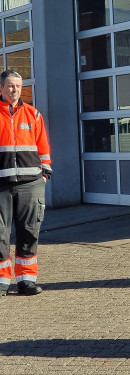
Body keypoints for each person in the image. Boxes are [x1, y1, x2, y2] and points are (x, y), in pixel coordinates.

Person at [0, 70, 52, 296]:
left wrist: (44, 176)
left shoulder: (33, 115)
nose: (15, 90)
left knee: (29, 233)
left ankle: (26, 281)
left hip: (31, 184)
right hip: (1, 185)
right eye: (10, 86)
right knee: (0, 234)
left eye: (18, 87)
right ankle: (2, 281)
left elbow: (44, 150)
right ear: (1, 88)